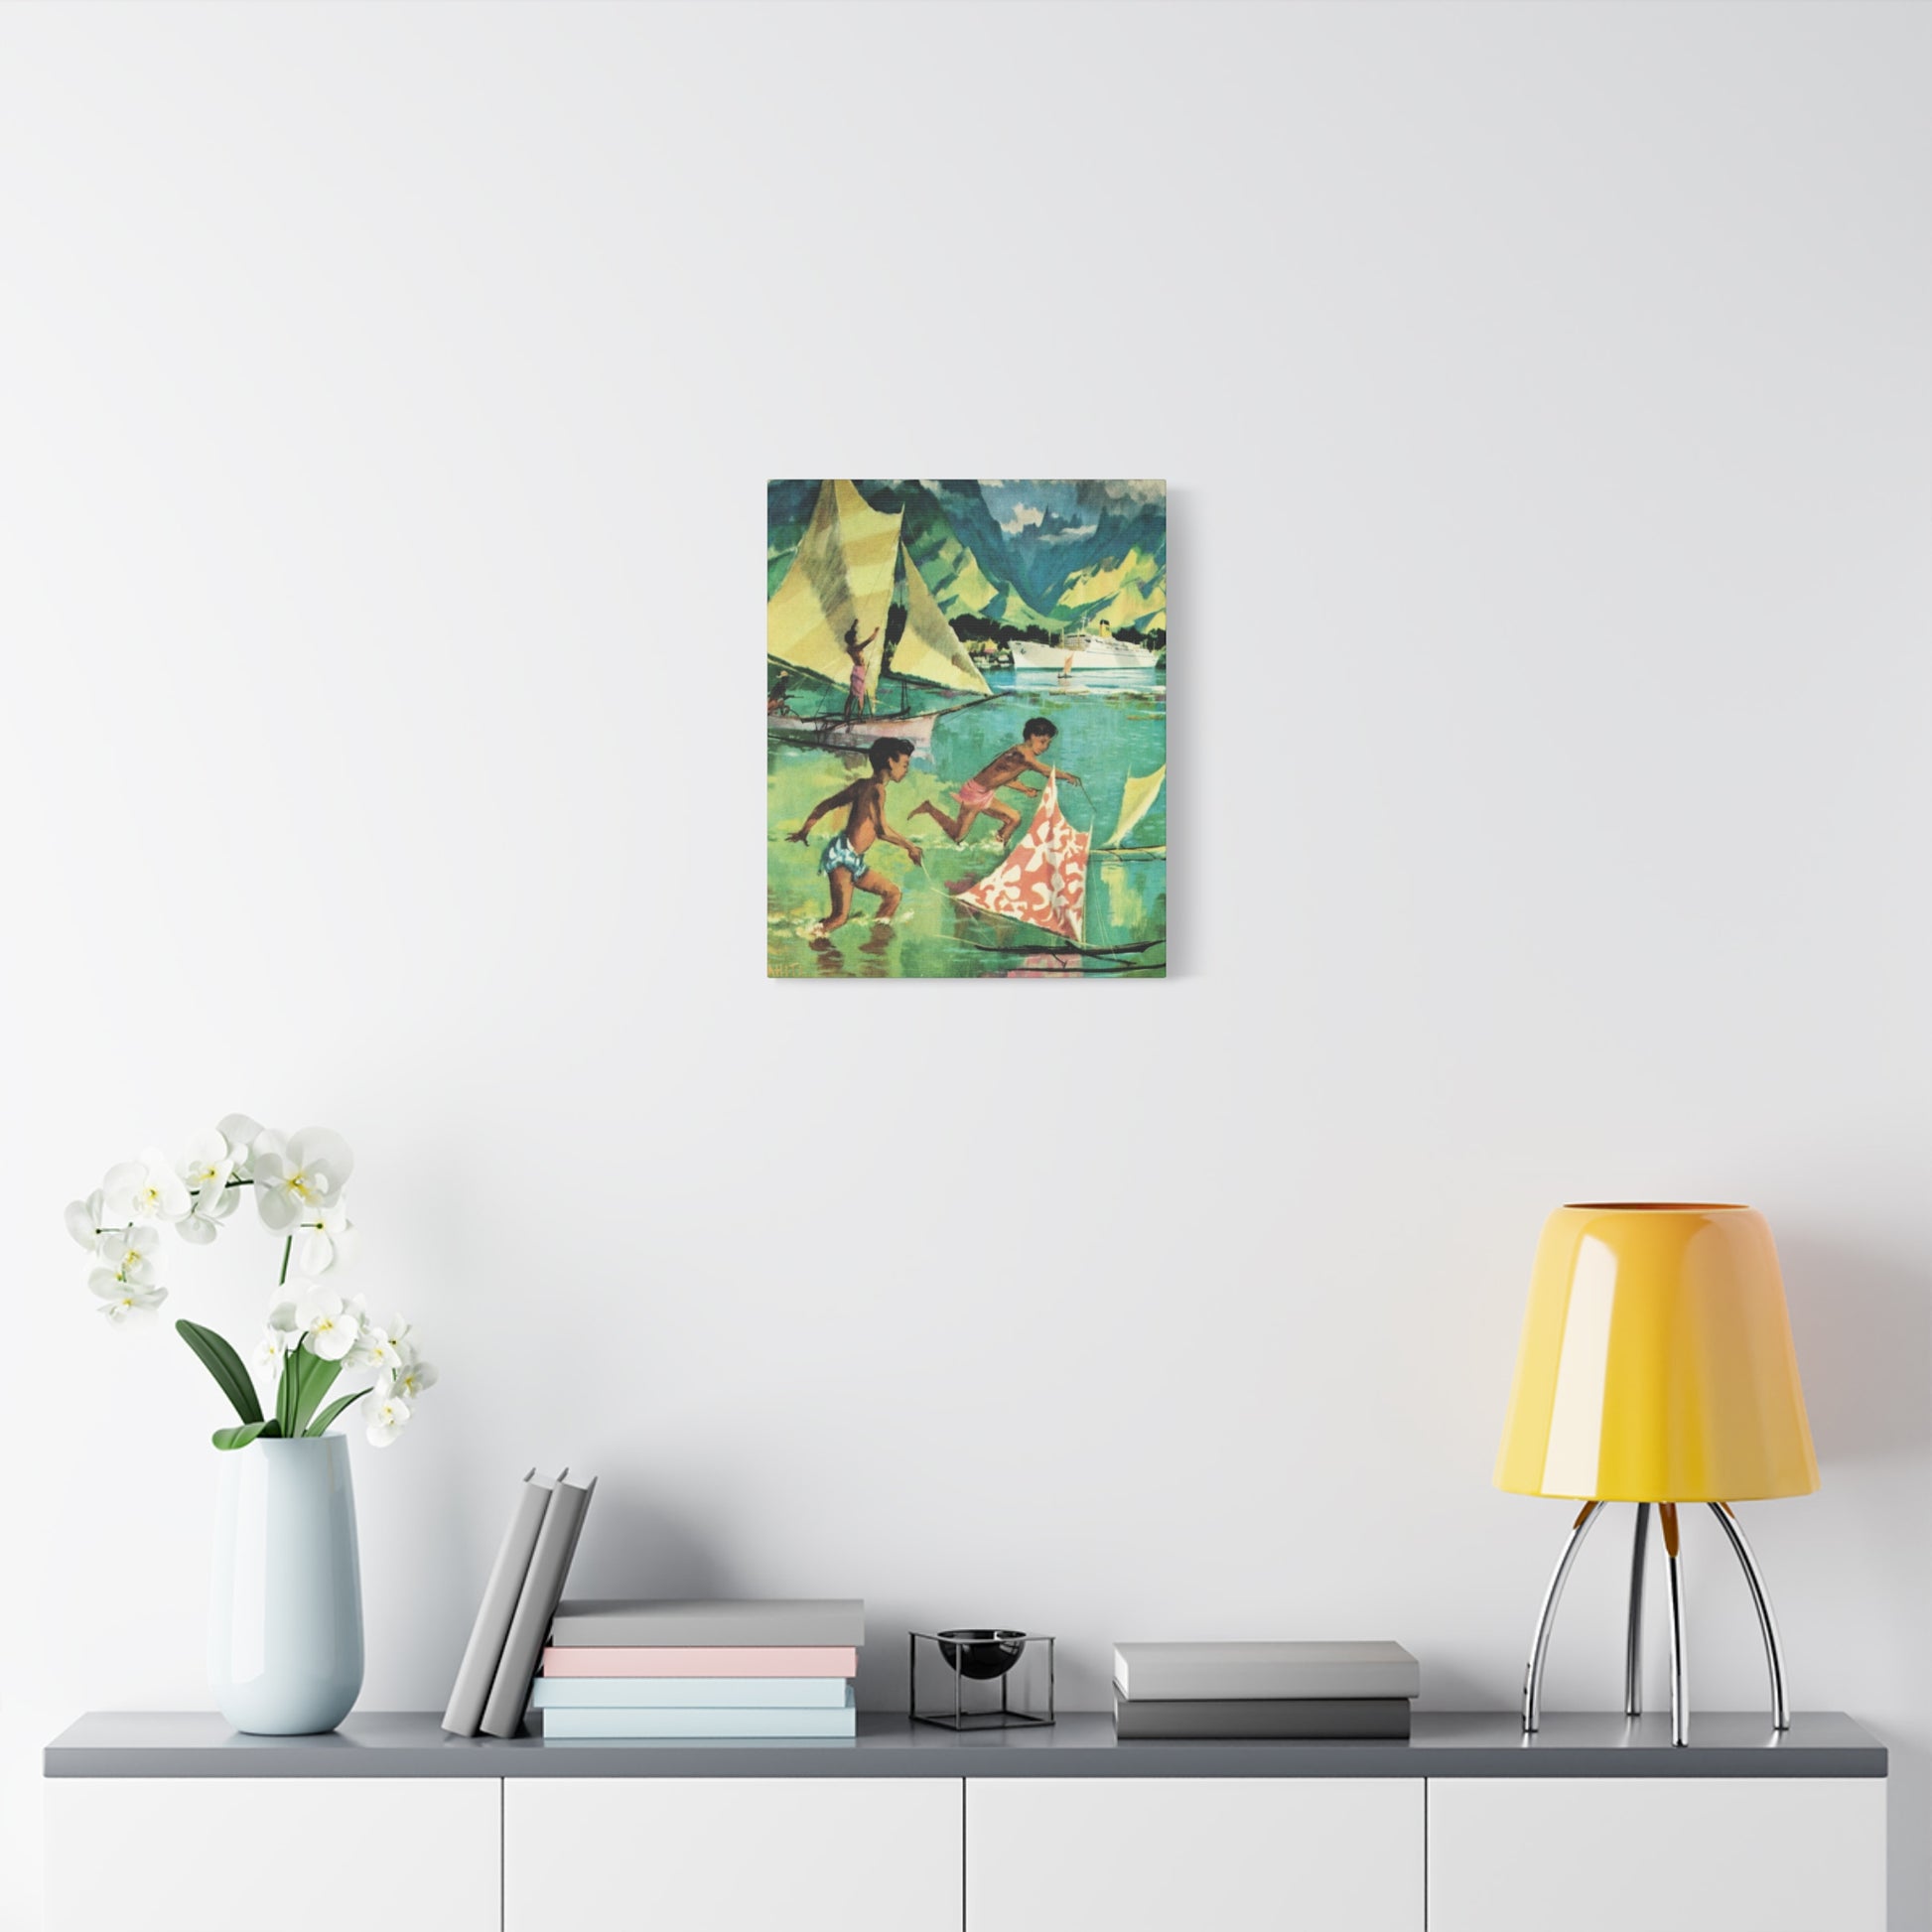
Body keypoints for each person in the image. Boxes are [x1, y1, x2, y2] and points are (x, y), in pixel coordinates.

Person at [789, 737, 922, 930]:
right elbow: (882, 830)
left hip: (853, 861)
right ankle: (813, 943)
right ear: (890, 762)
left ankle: (876, 941)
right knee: (839, 918)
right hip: (843, 858)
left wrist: (805, 831)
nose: (906, 769)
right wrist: (910, 847)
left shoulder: (862, 785)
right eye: (904, 764)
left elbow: (826, 805)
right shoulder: (877, 790)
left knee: (893, 894)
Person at [910, 717, 1081, 847]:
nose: (1044, 747)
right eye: (1042, 741)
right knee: (957, 837)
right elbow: (1045, 771)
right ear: (1031, 736)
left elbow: (1006, 779)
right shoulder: (1024, 755)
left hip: (984, 793)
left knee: (1014, 818)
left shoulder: (1020, 754)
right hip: (973, 794)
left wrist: (1024, 789)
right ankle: (929, 808)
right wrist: (1068, 776)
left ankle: (996, 846)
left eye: (1048, 744)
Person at [841, 620, 879, 720]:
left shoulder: (850, 648)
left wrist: (854, 625)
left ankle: (846, 716)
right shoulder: (857, 648)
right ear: (853, 638)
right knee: (860, 696)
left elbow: (851, 632)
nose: (856, 637)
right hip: (860, 672)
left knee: (852, 695)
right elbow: (870, 640)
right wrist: (876, 632)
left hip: (856, 671)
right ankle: (859, 717)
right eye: (855, 636)